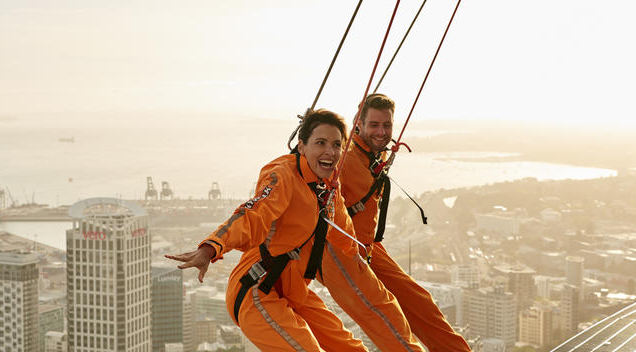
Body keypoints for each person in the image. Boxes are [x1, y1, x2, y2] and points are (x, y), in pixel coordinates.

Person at [166, 109, 368, 351]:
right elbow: (252, 215)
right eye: (320, 143)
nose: (330, 151)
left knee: (351, 347)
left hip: (292, 289)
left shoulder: (327, 183)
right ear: (301, 146)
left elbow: (339, 218)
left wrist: (353, 251)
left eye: (336, 145)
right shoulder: (283, 176)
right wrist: (211, 247)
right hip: (257, 288)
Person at [322, 93, 470, 351]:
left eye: (387, 125)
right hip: (339, 250)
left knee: (420, 302)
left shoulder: (371, 155)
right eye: (374, 125)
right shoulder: (343, 158)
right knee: (386, 317)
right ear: (359, 123)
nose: (381, 132)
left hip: (367, 246)